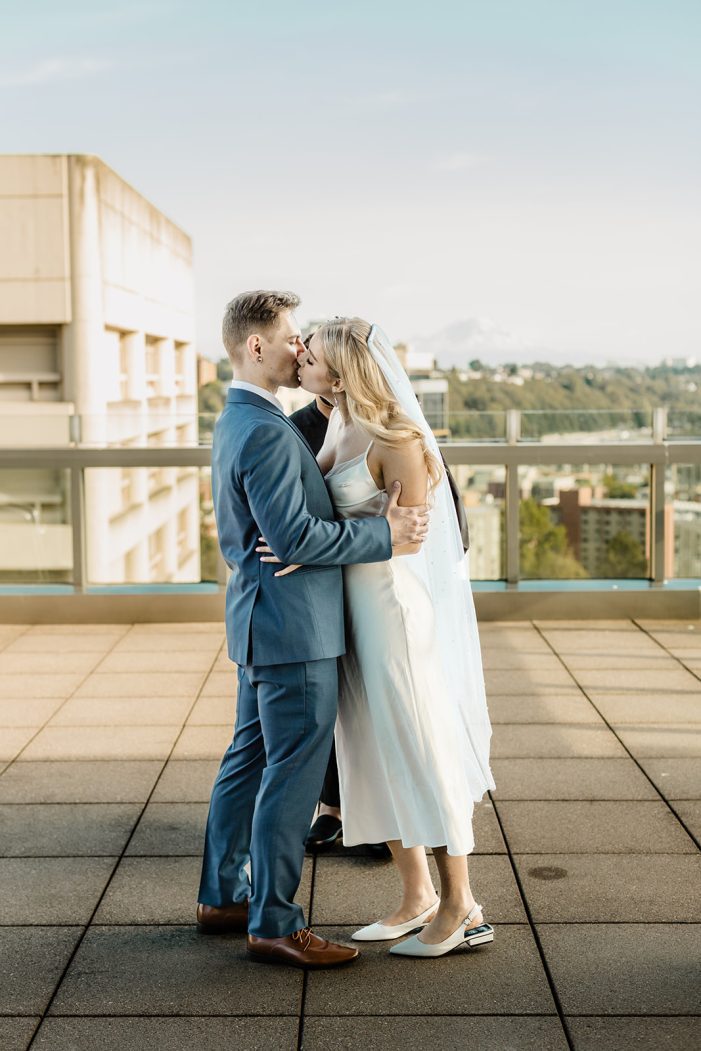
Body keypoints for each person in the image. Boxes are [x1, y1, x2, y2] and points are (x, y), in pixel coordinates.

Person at [196, 292, 430, 970]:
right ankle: (273, 921)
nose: (300, 348)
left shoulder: (237, 418)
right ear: (256, 347)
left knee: (247, 759)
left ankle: (222, 895)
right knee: (292, 774)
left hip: (258, 620)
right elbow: (292, 534)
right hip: (294, 628)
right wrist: (381, 532)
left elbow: (285, 532)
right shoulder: (267, 430)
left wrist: (304, 537)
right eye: (291, 337)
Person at [261, 317, 495, 958]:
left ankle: (461, 905)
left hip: (393, 614)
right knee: (367, 751)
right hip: (349, 613)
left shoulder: (399, 437)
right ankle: (415, 895)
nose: (299, 363)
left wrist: (331, 541)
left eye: (309, 358)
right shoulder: (338, 423)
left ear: (338, 371)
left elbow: (413, 536)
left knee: (420, 748)